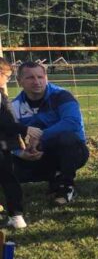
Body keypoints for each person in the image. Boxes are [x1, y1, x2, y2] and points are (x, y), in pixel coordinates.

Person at [4, 61, 89, 207]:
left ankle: (66, 187)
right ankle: (54, 176)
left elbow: (72, 122)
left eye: (40, 77)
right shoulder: (15, 106)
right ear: (19, 81)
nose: (36, 82)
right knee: (5, 161)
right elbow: (8, 135)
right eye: (30, 78)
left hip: (72, 150)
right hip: (36, 155)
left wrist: (41, 136)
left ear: (46, 78)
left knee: (67, 138)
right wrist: (20, 153)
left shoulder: (62, 96)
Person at [0, 60, 33, 228]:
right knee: (9, 179)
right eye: (7, 76)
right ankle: (16, 215)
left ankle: (16, 216)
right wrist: (24, 130)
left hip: (5, 144)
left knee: (8, 179)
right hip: (3, 145)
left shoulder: (1, 95)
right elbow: (6, 121)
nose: (7, 80)